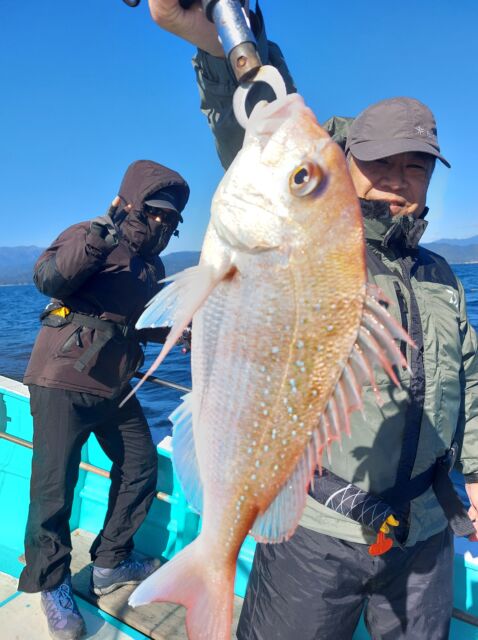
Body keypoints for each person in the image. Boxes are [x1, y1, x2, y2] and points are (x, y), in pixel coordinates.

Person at [147, 2, 478, 639]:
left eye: (415, 167)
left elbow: (470, 381)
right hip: (318, 530)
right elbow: (262, 119)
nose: (397, 181)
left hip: (424, 533)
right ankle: (212, 560)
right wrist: (220, 45)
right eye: (379, 162)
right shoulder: (321, 244)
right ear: (347, 161)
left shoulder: (441, 275)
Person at [19, 159, 190, 640]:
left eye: (171, 218)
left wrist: (182, 333)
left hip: (115, 384)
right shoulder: (92, 233)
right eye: (155, 211)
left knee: (140, 465)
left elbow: (139, 322)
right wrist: (99, 235)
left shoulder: (151, 267)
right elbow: (48, 279)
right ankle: (51, 585)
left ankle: (111, 562)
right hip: (62, 378)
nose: (162, 222)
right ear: (133, 205)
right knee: (53, 489)